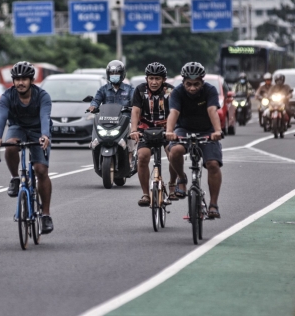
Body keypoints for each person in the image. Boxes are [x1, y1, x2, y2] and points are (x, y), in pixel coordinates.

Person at [0, 61, 54, 234]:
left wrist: (45, 136)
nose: (20, 83)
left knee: (41, 170)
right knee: (10, 146)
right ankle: (15, 178)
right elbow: (2, 118)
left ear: (31, 80)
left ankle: (46, 215)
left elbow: (44, 116)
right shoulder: (6, 97)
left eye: (24, 79)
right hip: (17, 127)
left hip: (38, 130)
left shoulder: (43, 96)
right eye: (17, 79)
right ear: (13, 81)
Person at [165, 62, 224, 219]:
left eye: (196, 84)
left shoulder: (210, 90)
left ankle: (213, 205)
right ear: (183, 82)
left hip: (207, 131)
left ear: (202, 82)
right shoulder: (177, 92)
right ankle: (182, 179)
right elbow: (174, 112)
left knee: (213, 164)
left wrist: (217, 131)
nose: (192, 88)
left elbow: (212, 110)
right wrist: (169, 131)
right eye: (188, 84)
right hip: (184, 129)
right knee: (175, 150)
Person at [129, 62, 177, 207]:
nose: (154, 82)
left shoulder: (171, 91)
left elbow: (175, 112)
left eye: (157, 79)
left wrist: (173, 131)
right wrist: (134, 130)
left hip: (167, 129)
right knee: (142, 157)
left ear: (163, 79)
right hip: (146, 130)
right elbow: (135, 112)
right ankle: (145, 194)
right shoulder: (139, 90)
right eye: (151, 78)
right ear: (146, 79)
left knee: (174, 155)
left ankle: (173, 185)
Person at [88, 60, 136, 160]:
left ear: (122, 74)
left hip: (124, 120)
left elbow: (136, 101)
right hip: (106, 120)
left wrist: (136, 106)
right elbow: (96, 100)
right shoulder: (103, 89)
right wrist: (93, 106)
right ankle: (94, 142)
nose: (114, 75)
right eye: (112, 73)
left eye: (117, 73)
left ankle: (130, 154)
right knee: (95, 122)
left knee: (131, 127)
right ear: (108, 75)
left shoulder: (130, 90)